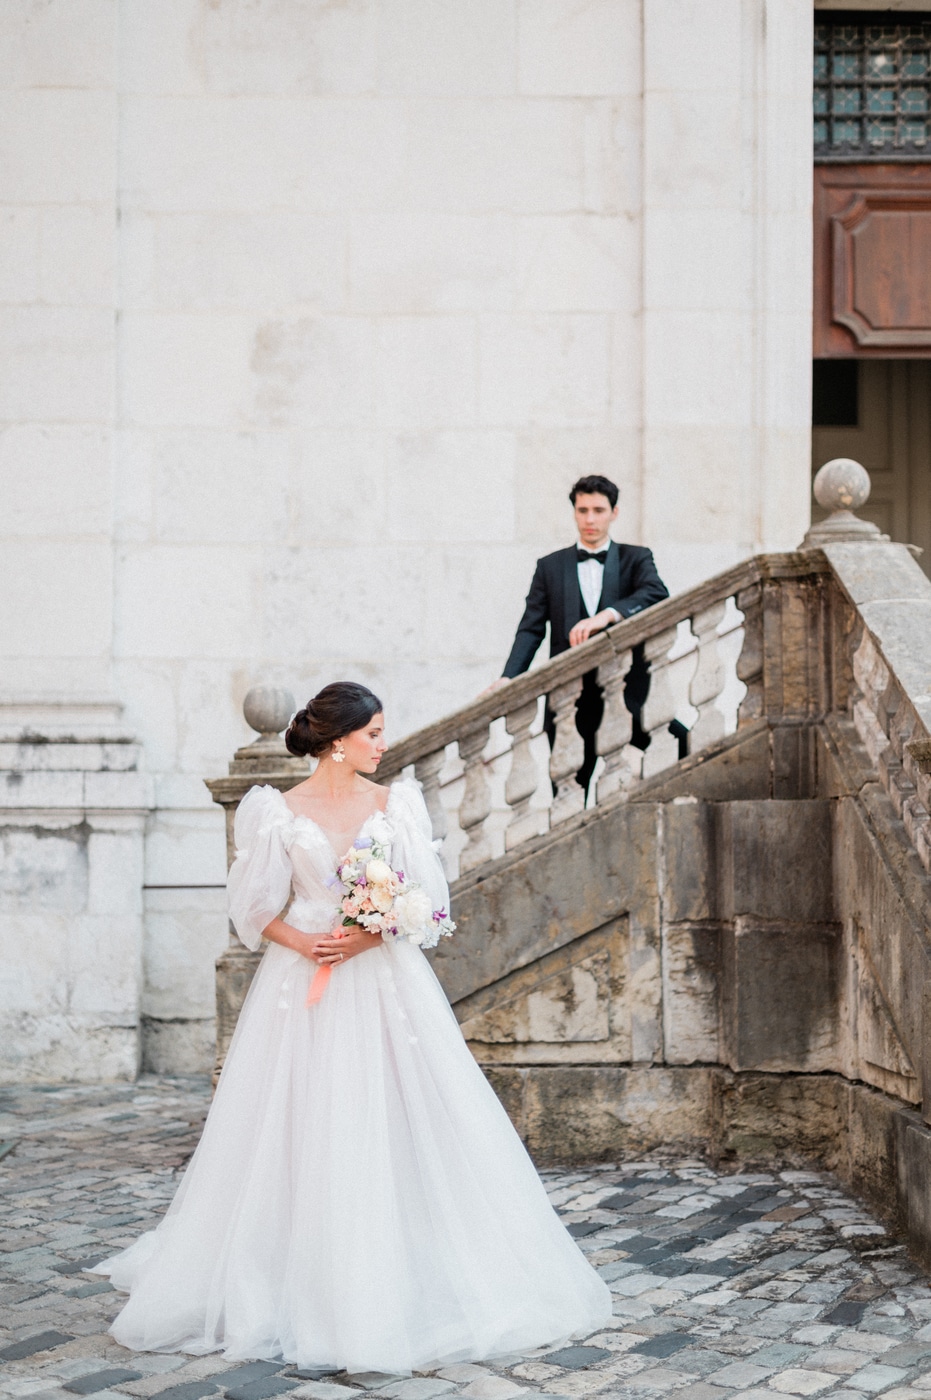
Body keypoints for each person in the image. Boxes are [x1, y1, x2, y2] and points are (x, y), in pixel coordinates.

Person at [93, 682, 611, 1374]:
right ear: (338, 740)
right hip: (299, 986)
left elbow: (427, 902)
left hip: (383, 982)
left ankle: (399, 1255)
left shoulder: (394, 803)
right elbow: (251, 912)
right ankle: (292, 1267)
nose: (383, 745)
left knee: (398, 1114)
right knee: (297, 1120)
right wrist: (303, 943)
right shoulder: (274, 812)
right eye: (373, 734)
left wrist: (371, 936)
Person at [490, 474, 671, 795]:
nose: (590, 519)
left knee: (678, 746)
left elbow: (656, 592)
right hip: (569, 697)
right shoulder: (549, 566)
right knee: (569, 790)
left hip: (629, 691)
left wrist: (607, 615)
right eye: (583, 510)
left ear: (614, 513)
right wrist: (510, 677)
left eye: (598, 510)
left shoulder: (636, 557)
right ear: (574, 511)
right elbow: (531, 628)